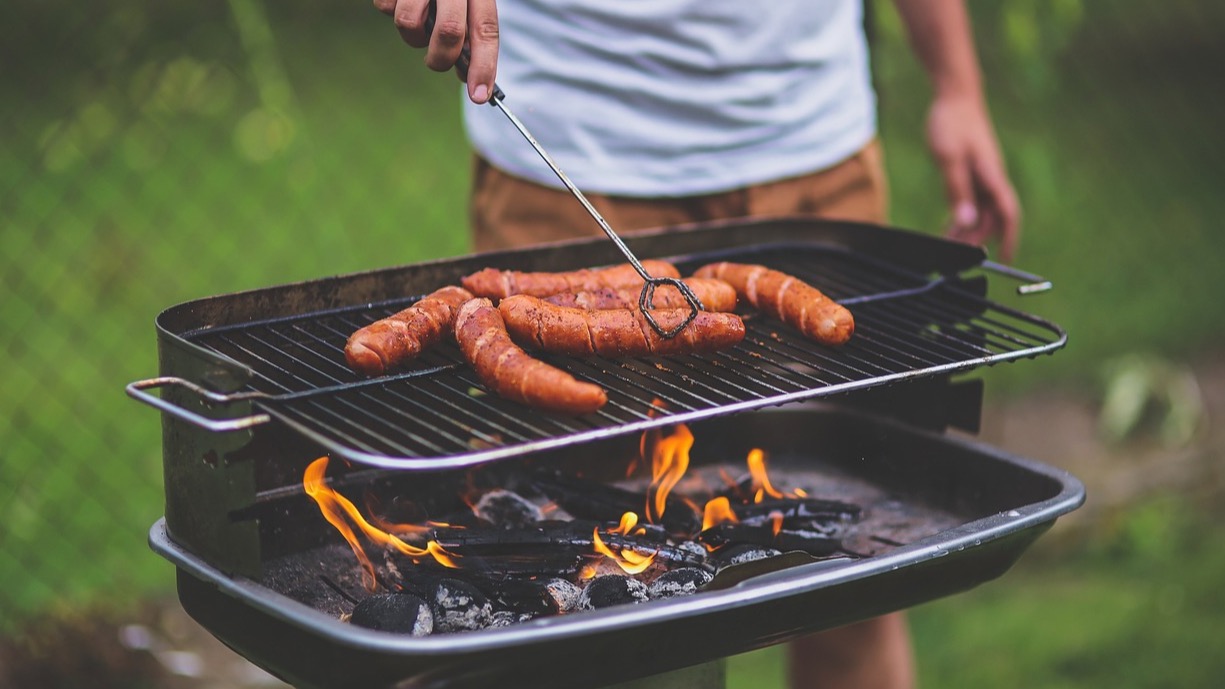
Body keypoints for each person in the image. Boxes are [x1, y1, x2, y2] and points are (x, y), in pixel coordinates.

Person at [374, 1, 1019, 686]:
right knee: (590, 587)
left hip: (813, 148)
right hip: (567, 148)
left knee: (852, 562)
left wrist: (957, 86)